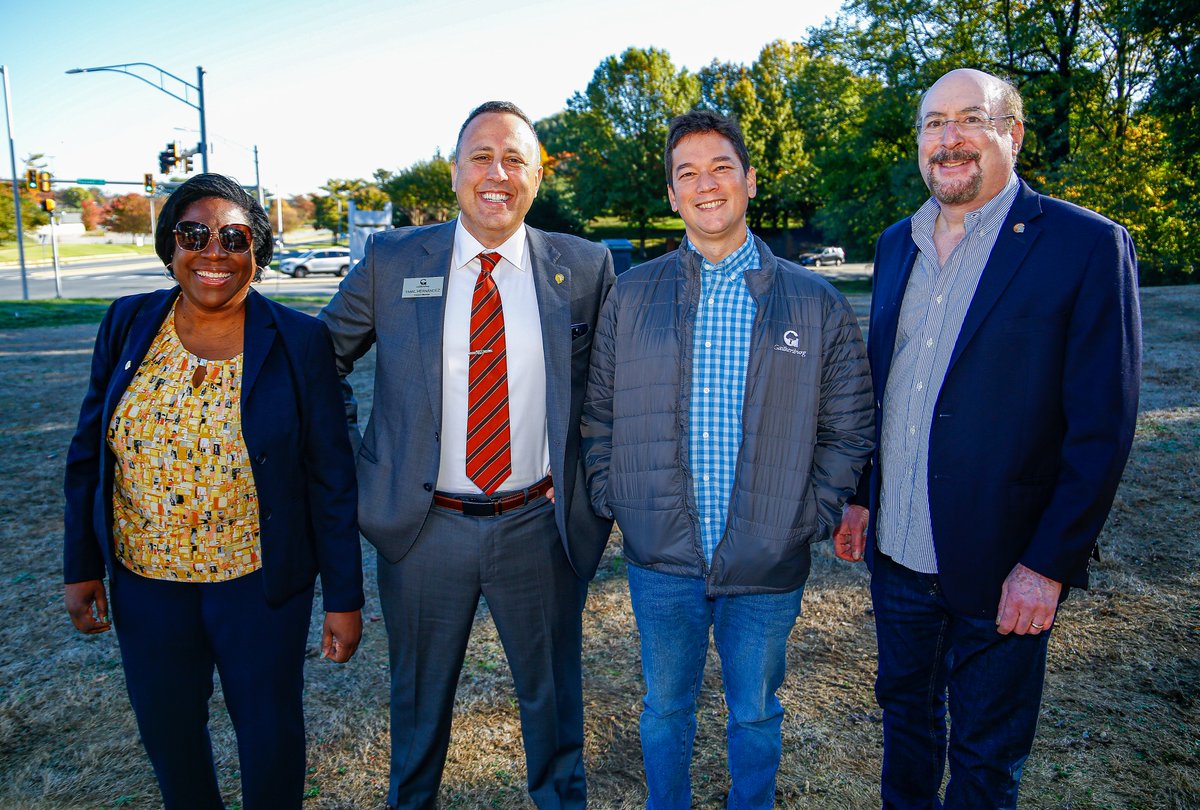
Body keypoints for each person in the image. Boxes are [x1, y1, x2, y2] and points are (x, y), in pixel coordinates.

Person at [834, 68, 1141, 809]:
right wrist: (861, 496)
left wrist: (1049, 563)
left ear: (1013, 133)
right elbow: (887, 386)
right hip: (899, 557)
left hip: (1006, 566)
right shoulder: (896, 244)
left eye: (970, 118)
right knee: (906, 729)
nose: (949, 139)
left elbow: (1104, 425)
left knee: (984, 760)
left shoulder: (1085, 245)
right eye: (933, 124)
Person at [319, 101, 615, 809]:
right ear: (454, 172)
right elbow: (317, 359)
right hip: (424, 530)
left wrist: (593, 487)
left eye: (515, 159)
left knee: (553, 705)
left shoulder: (583, 265)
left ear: (536, 178)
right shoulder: (393, 260)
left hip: (537, 526)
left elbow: (610, 390)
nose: (497, 173)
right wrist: (363, 457)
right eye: (481, 155)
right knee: (417, 707)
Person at [581, 109, 875, 808]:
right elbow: (599, 413)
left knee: (756, 713)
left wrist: (811, 514)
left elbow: (849, 424)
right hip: (662, 559)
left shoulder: (814, 301)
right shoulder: (633, 295)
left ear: (748, 180)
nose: (705, 184)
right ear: (673, 195)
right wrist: (615, 497)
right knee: (663, 711)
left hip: (766, 562)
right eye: (688, 173)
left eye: (720, 167)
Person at [63, 173, 364, 809]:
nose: (213, 252)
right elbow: (90, 451)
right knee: (169, 734)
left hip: (258, 585)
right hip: (147, 585)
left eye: (234, 238)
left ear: (257, 251)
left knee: (269, 734)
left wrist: (343, 597)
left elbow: (330, 477)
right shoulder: (127, 322)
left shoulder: (301, 341)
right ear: (169, 245)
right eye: (194, 234)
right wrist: (81, 565)